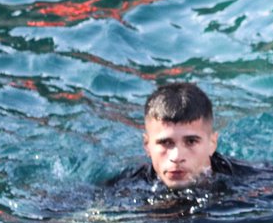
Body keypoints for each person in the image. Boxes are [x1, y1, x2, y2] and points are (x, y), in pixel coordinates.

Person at [109, 81, 254, 192]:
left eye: (191, 141)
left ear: (212, 143)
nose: (177, 157)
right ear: (147, 145)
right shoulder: (123, 187)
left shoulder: (251, 182)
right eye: (165, 142)